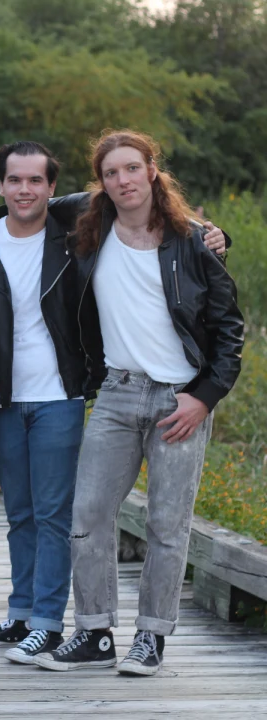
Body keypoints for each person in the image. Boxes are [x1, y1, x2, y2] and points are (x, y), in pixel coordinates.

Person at [33, 130, 244, 676]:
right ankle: (96, 630)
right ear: (100, 182)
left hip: (181, 401)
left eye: (132, 168)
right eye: (110, 172)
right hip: (118, 393)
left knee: (167, 525)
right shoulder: (89, 226)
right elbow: (20, 200)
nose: (122, 180)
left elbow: (228, 332)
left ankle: (151, 638)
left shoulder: (192, 241)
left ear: (153, 170)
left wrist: (202, 399)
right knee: (89, 515)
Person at [0, 142, 86, 663]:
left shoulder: (74, 240)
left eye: (35, 181)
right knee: (20, 514)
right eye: (14, 180)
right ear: (0, 185)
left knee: (52, 514)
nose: (24, 190)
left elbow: (120, 196)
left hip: (59, 397)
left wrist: (216, 235)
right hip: (1, 402)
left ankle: (48, 625)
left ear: (53, 188)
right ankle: (22, 615)